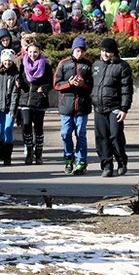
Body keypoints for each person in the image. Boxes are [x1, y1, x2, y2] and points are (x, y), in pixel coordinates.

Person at [92, 38, 133, 177]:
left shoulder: (122, 66)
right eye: (103, 51)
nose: (105, 54)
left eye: (108, 51)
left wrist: (124, 108)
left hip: (115, 107)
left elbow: (126, 90)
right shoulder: (96, 65)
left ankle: (121, 161)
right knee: (101, 138)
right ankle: (107, 165)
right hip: (99, 108)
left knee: (115, 136)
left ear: (114, 52)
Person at [53, 37, 94, 175]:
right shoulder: (63, 64)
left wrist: (84, 84)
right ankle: (69, 158)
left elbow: (93, 85)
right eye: (77, 50)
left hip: (82, 106)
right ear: (73, 50)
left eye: (82, 51)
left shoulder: (89, 64)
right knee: (65, 134)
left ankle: (81, 161)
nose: (80, 53)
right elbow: (56, 84)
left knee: (81, 134)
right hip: (66, 106)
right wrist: (69, 83)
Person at [17, 42, 53, 165]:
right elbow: (20, 78)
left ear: (39, 52)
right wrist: (19, 82)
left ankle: (38, 153)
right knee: (26, 125)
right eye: (30, 52)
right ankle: (29, 151)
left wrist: (44, 88)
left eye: (35, 52)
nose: (33, 54)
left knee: (38, 128)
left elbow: (50, 83)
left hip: (39, 100)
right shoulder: (22, 65)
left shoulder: (46, 66)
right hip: (26, 99)